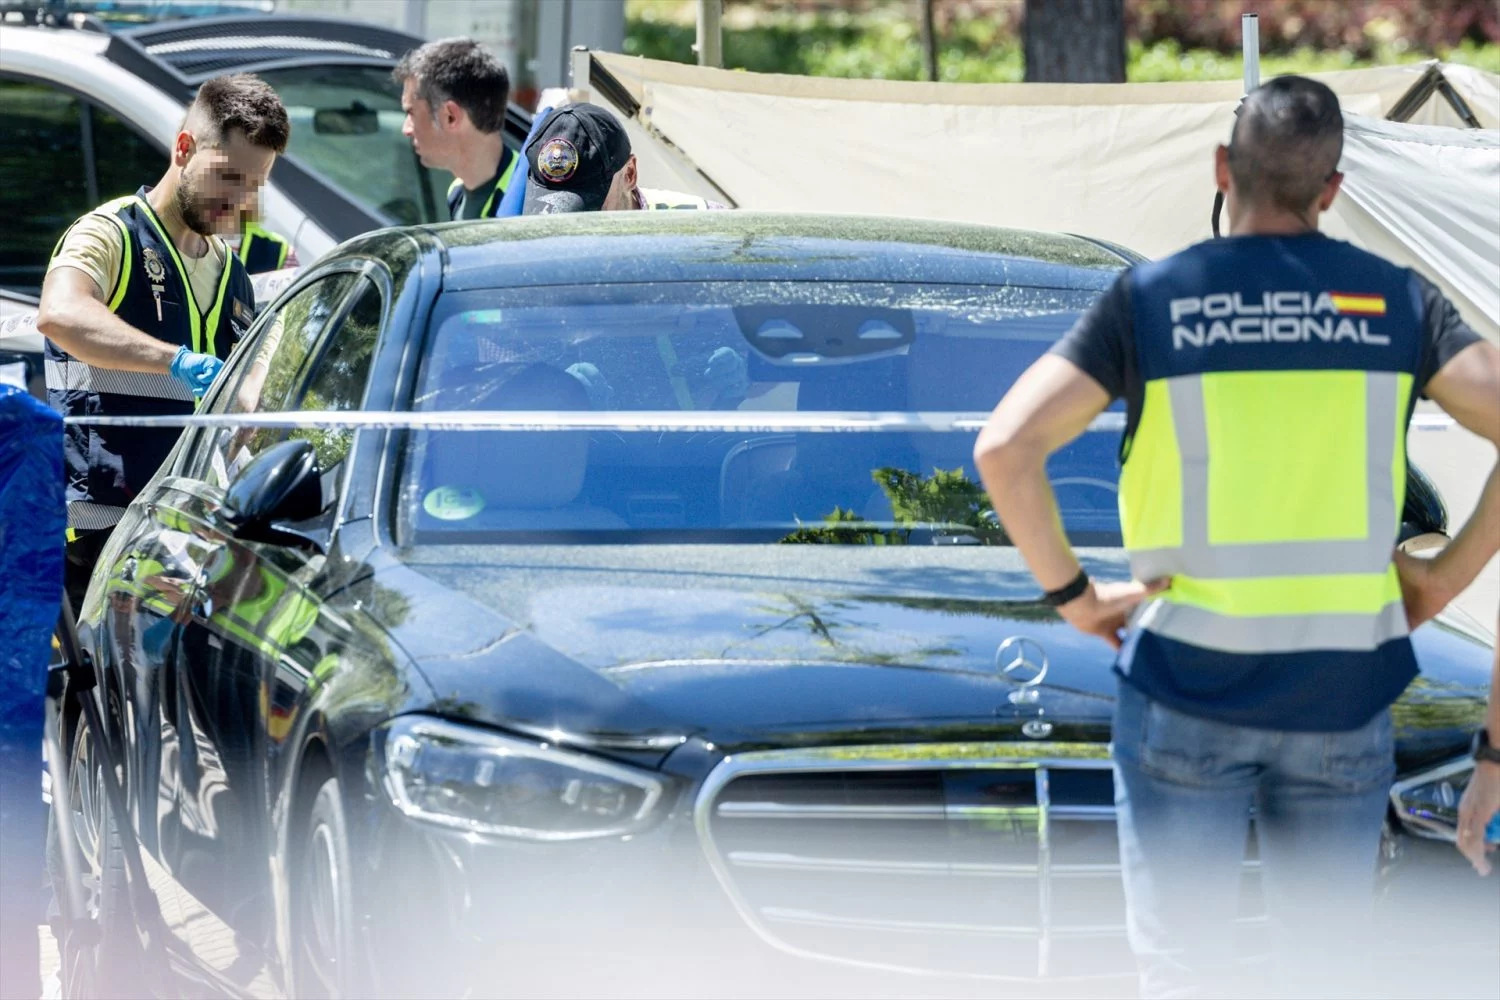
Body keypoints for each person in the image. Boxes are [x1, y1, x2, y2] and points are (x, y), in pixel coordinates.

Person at [972, 75, 1500, 998]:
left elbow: (1006, 447)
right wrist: (1446, 577)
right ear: (1333, 189)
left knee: (1185, 974)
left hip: (1185, 686)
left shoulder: (1152, 300)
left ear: (1223, 168)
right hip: (1342, 691)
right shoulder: (1397, 305)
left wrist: (1077, 598)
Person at [37, 73, 287, 614]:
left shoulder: (234, 278)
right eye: (230, 177)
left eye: (255, 184)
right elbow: (59, 314)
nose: (242, 199)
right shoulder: (111, 234)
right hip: (101, 546)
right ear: (183, 147)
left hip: (184, 544)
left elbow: (242, 411)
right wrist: (172, 360)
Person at [520, 102, 726, 215]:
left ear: (629, 174)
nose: (571, 227)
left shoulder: (701, 227)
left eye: (588, 208)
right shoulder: (531, 244)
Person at [394, 37, 520, 221]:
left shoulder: (529, 198)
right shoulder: (457, 192)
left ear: (450, 116)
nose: (406, 129)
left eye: (411, 113)